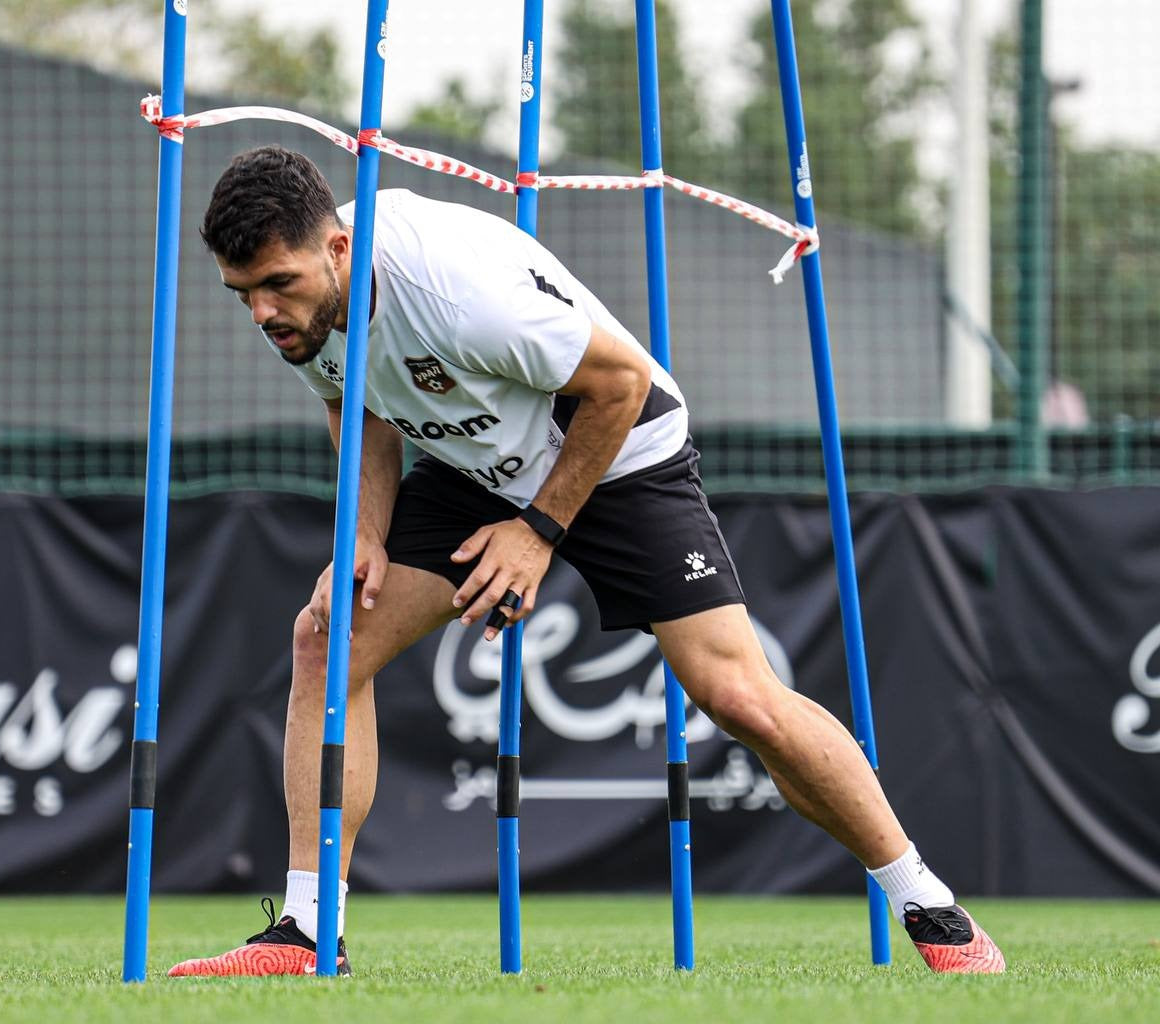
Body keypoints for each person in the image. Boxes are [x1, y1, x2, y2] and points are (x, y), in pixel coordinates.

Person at [168, 146, 1004, 977]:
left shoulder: (459, 294)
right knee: (324, 641)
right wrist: (366, 532)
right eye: (242, 294)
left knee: (740, 697)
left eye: (279, 285)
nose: (263, 312)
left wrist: (537, 532)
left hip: (615, 450)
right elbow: (356, 399)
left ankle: (929, 903)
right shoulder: (304, 310)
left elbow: (622, 384)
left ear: (337, 249)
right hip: (476, 462)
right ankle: (312, 933)